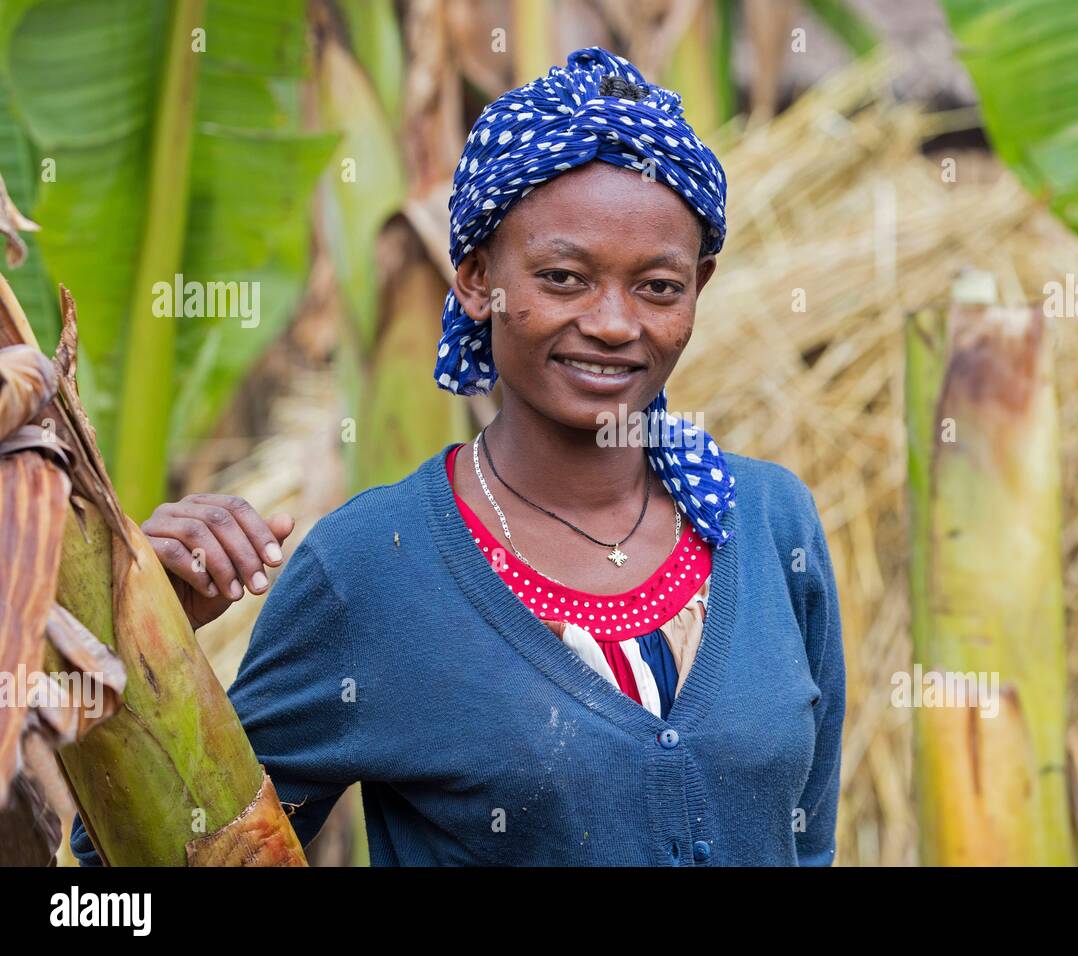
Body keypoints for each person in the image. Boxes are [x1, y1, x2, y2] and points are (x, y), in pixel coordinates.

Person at [71, 46, 844, 866]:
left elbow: (811, 845)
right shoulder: (373, 570)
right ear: (476, 279)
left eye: (658, 286)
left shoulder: (766, 522)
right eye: (564, 277)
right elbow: (155, 864)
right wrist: (143, 648)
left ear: (700, 286)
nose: (616, 323)